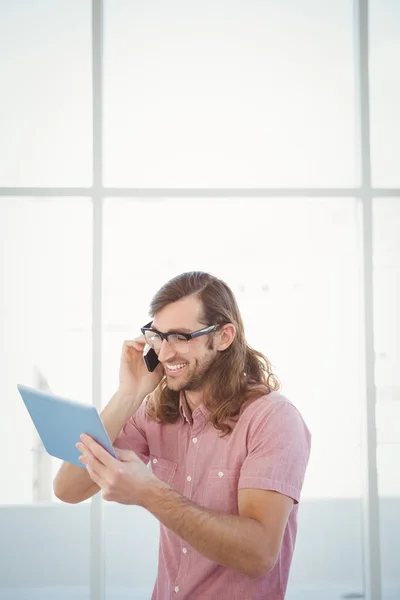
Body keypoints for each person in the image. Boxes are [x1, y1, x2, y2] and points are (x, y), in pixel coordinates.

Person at [54, 271, 311, 600]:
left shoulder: (272, 419)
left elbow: (259, 555)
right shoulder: (155, 413)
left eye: (179, 337)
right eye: (157, 336)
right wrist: (128, 395)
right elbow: (68, 488)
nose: (163, 353)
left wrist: (150, 494)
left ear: (223, 337)